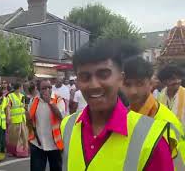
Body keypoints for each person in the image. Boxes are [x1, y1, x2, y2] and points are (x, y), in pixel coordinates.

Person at [61, 39, 174, 171]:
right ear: (78, 82)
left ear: (120, 79)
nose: (94, 85)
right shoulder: (67, 126)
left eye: (103, 75)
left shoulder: (153, 138)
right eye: (85, 77)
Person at [121, 56, 185, 169]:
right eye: (127, 84)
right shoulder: (123, 116)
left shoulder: (166, 123)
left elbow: (178, 165)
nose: (133, 91)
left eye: (139, 84)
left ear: (151, 84)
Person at [28, 79, 63, 171]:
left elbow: (61, 117)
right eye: (44, 88)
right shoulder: (33, 101)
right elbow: (29, 120)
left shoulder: (58, 100)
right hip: (37, 144)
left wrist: (50, 102)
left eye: (49, 87)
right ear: (38, 90)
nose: (47, 90)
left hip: (54, 145)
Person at [7, 83, 29, 157]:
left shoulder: (22, 96)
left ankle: (22, 151)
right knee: (14, 136)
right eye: (21, 87)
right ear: (19, 87)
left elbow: (24, 106)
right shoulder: (10, 96)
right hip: (14, 119)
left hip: (22, 118)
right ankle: (13, 151)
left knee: (23, 136)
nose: (22, 89)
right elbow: (8, 107)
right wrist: (9, 116)